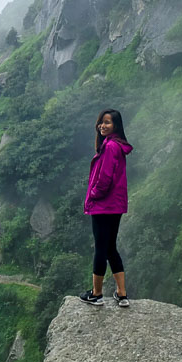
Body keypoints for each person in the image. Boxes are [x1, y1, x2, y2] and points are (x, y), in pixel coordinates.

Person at [79, 109, 133, 307]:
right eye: (101, 122)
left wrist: (94, 194)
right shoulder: (117, 146)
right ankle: (122, 293)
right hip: (115, 205)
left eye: (108, 122)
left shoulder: (110, 147)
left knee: (100, 249)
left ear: (116, 126)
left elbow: (105, 179)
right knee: (110, 248)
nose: (103, 125)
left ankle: (96, 294)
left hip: (103, 205)